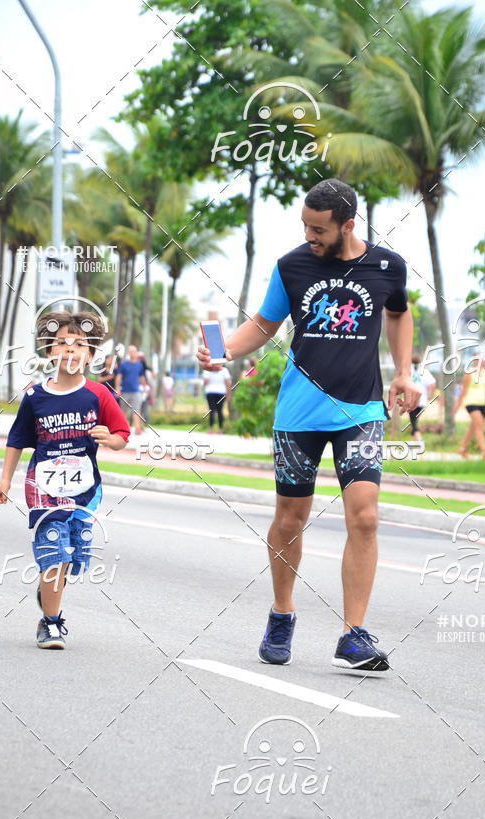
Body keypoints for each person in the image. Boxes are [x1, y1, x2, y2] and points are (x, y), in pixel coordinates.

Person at [197, 178, 419, 672]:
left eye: (319, 229)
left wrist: (404, 371)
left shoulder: (387, 265)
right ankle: (282, 612)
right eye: (305, 226)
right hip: (298, 414)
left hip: (360, 411)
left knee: (365, 516)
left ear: (348, 225)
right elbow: (264, 323)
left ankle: (353, 634)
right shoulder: (292, 266)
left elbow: (399, 314)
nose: (310, 236)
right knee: (290, 519)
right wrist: (225, 351)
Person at [0, 312, 130, 649]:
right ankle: (51, 623)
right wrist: (5, 481)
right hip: (43, 490)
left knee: (75, 557)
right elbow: (16, 440)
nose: (70, 351)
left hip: (85, 492)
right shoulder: (35, 396)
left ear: (91, 355)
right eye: (62, 344)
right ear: (50, 352)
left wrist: (109, 438)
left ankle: (48, 590)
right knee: (56, 553)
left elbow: (123, 435)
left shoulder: (98, 394)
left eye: (79, 345)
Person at [455, 353, 485, 459]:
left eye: (482, 359)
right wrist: (457, 406)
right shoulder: (469, 374)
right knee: (479, 425)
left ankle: (462, 449)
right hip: (470, 402)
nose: (481, 361)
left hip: (482, 403)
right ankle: (484, 450)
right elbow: (463, 391)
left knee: (473, 428)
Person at [115, 345, 146, 434]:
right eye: (131, 351)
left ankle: (137, 428)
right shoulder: (124, 365)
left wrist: (144, 387)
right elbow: (119, 377)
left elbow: (141, 377)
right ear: (128, 353)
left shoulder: (139, 365)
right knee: (123, 412)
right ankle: (124, 429)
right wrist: (117, 388)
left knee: (136, 410)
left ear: (136, 353)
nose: (132, 353)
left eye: (134, 351)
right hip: (125, 391)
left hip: (136, 391)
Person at [408, 354, 436, 440]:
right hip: (422, 400)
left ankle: (419, 440)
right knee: (414, 420)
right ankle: (412, 443)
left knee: (413, 422)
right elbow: (433, 384)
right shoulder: (424, 371)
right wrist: (429, 396)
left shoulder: (408, 370)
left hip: (411, 399)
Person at [203, 365, 231, 431]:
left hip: (210, 392)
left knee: (211, 410)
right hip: (221, 392)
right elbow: (228, 383)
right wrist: (228, 394)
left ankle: (210, 429)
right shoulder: (225, 370)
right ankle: (220, 429)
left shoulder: (207, 369)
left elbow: (205, 382)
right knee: (220, 411)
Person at [137, 352, 155, 425]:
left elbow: (151, 385)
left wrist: (151, 396)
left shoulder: (148, 372)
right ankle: (138, 425)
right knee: (138, 409)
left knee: (143, 408)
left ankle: (141, 424)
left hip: (145, 392)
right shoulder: (136, 369)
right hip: (137, 391)